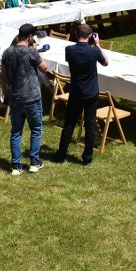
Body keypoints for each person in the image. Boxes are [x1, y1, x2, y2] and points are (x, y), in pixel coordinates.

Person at [52, 24, 108, 166]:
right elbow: (106, 62)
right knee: (89, 125)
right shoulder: (94, 51)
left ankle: (61, 154)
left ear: (76, 35)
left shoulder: (69, 50)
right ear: (90, 36)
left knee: (69, 124)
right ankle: (87, 157)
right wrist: (98, 45)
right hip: (91, 92)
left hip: (76, 91)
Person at [1, 23, 49, 175]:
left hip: (14, 97)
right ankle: (34, 162)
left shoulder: (7, 52)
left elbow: (2, 76)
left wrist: (5, 94)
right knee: (36, 129)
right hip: (32, 98)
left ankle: (16, 166)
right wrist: (36, 52)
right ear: (30, 37)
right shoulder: (31, 52)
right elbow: (45, 68)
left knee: (16, 132)